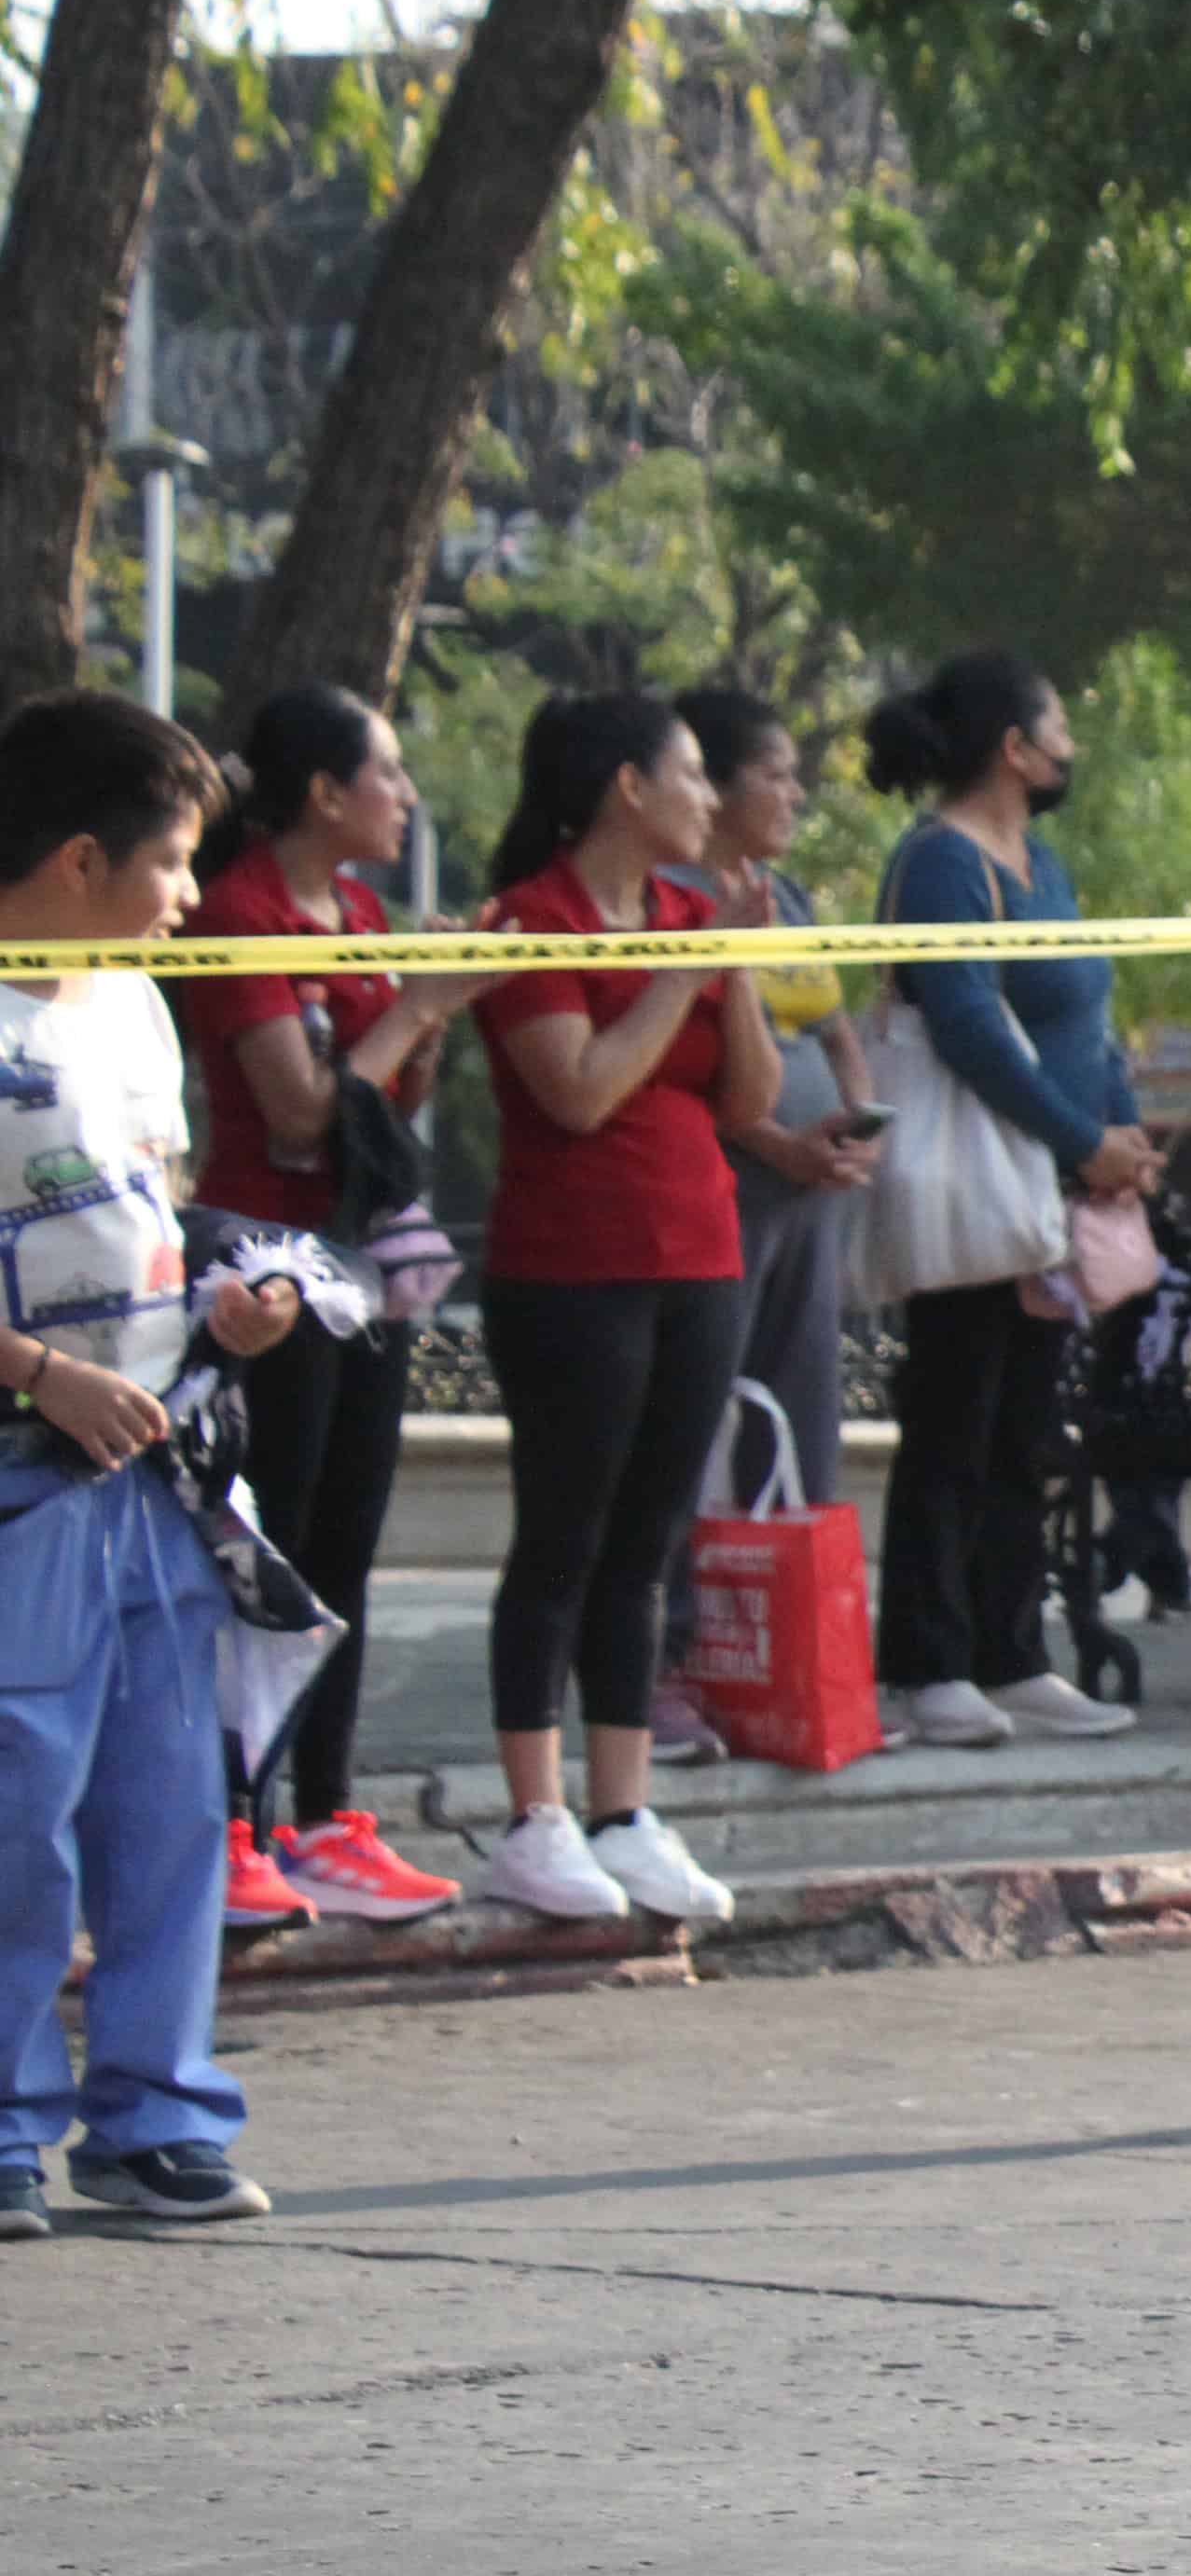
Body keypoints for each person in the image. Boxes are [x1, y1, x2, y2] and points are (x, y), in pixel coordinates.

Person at [0, 692, 307, 2231]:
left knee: (170, 1804)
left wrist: (228, 1306)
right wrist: (40, 1375)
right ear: (78, 857)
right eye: (176, 860)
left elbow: (154, 1206)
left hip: (156, 1463)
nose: (192, 891)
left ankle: (155, 2116)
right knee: (15, 1813)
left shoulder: (130, 1003)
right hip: (24, 1472)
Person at [463, 694, 772, 1925]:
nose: (711, 799)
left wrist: (734, 973)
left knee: (647, 1544)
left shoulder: (695, 916)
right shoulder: (530, 919)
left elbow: (747, 1101)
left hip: (699, 1254)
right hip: (571, 1268)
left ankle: (623, 1809)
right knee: (563, 1537)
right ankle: (534, 1815)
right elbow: (580, 1090)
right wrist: (682, 974)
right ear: (626, 787)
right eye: (691, 775)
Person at [171, 682, 476, 1922]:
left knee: (346, 1545)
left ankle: (328, 1817)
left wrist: (426, 1014)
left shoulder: (357, 912)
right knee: (274, 1543)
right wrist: (414, 1009)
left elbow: (384, 1100)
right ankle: (235, 1821)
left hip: (367, 1262)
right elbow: (298, 1114)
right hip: (269, 1268)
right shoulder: (240, 915)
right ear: (322, 792)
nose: (404, 797)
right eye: (385, 773)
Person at [863, 653, 1148, 1751]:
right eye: (1057, 726)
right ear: (1014, 749)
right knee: (955, 1416)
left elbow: (1086, 1008)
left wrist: (1119, 1133)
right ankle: (929, 1659)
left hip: (1055, 1188)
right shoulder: (943, 861)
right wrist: (1079, 1136)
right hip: (982, 1179)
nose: (1072, 747)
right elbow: (970, 1022)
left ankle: (1012, 1650)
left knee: (1025, 1427)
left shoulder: (1046, 863)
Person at [651, 683, 884, 1765]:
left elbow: (834, 1030)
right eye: (773, 776)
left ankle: (805, 1661)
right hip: (725, 1191)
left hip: (809, 1200)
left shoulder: (782, 895)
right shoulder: (673, 901)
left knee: (801, 1421)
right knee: (693, 1426)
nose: (793, 795)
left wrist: (856, 1125)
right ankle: (668, 1659)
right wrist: (776, 1142)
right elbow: (683, 1057)